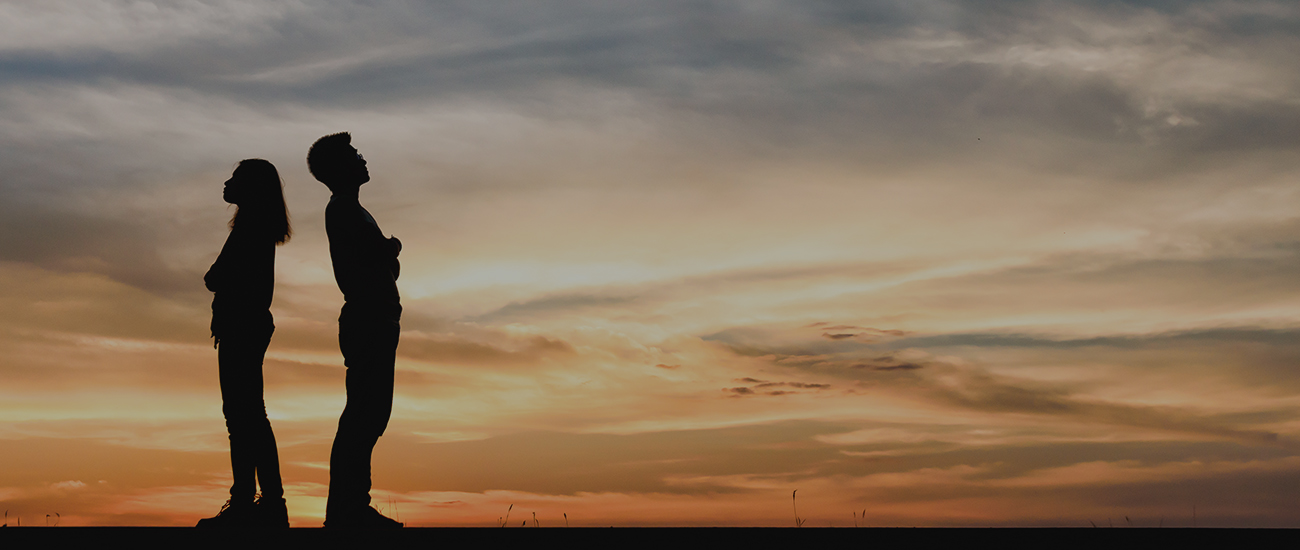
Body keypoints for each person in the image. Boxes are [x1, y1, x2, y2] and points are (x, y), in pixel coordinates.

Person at [307, 133, 403, 529]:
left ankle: (350, 507)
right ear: (337, 169)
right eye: (352, 155)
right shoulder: (343, 209)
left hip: (376, 318)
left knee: (370, 413)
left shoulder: (352, 210)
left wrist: (386, 253)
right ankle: (349, 509)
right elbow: (377, 259)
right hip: (368, 319)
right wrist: (388, 250)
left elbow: (382, 262)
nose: (361, 158)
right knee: (364, 414)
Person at [198, 159, 292, 529]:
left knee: (244, 418)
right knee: (248, 416)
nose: (227, 183)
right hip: (247, 326)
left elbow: (215, 276)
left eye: (235, 178)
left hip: (243, 327)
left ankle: (254, 503)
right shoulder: (256, 227)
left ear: (250, 188)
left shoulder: (249, 228)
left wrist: (217, 277)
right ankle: (261, 502)